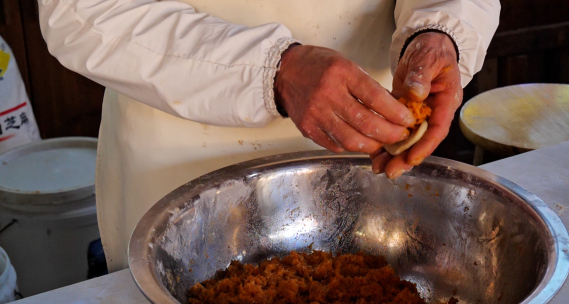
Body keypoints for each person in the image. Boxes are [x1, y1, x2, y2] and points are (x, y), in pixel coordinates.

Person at [38, 0, 500, 272]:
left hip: (371, 155)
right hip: (185, 162)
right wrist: (271, 71)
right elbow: (78, 12)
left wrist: (442, 28)